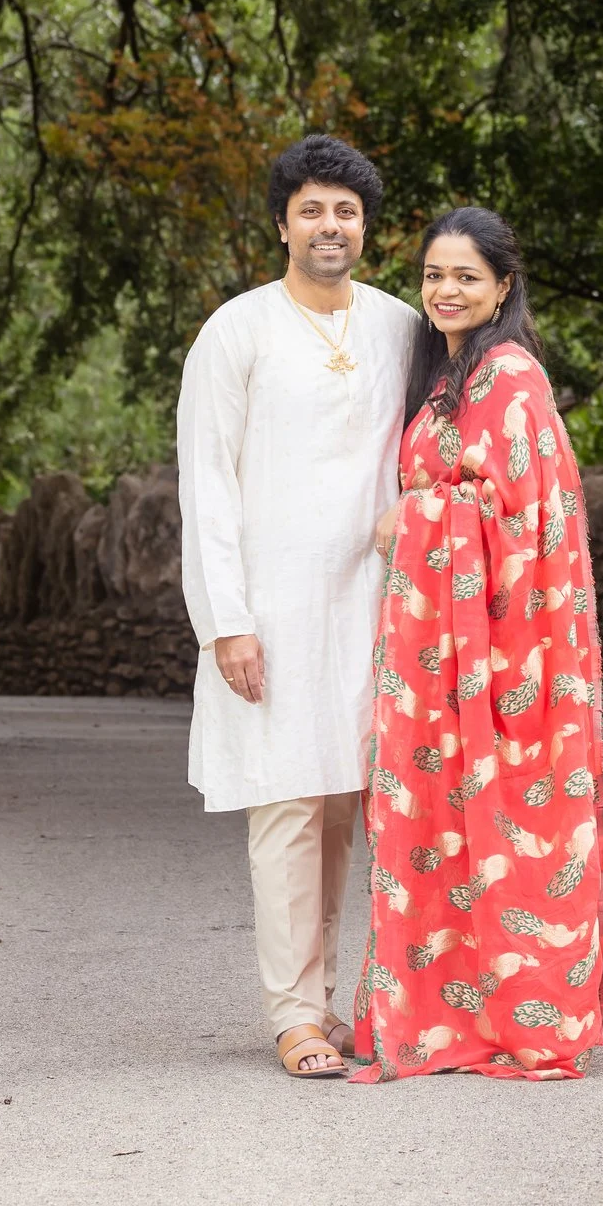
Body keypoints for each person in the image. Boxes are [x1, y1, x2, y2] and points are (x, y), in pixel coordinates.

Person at [178, 135, 422, 1078]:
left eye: (347, 212)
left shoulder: (400, 326)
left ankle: (331, 998)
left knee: (344, 808)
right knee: (285, 804)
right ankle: (295, 1014)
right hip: (271, 610)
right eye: (313, 209)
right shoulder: (236, 331)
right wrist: (225, 619)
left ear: (366, 227)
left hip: (371, 607)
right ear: (282, 223)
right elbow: (206, 484)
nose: (331, 226)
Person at [352, 205, 603, 1081]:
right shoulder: (446, 377)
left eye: (465, 275)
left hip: (500, 650)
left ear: (503, 285)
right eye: (433, 274)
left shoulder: (511, 378)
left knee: (502, 814)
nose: (445, 289)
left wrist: (415, 512)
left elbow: (518, 518)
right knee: (434, 819)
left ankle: (517, 1015)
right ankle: (438, 1009)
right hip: (431, 651)